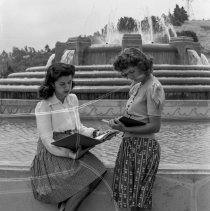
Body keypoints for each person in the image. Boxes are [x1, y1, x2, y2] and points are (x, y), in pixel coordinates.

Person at [30, 62, 106, 211]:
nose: (67, 87)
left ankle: (64, 207)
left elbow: (78, 128)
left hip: (72, 145)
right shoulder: (44, 105)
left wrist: (95, 133)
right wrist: (68, 154)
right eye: (62, 84)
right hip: (52, 151)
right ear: (52, 83)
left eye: (70, 82)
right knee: (83, 182)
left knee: (99, 171)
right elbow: (46, 139)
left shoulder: (73, 99)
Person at [109, 47, 165, 211]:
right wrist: (119, 123)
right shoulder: (136, 86)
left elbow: (155, 126)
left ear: (142, 64)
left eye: (131, 71)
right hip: (129, 146)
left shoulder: (154, 88)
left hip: (144, 148)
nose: (129, 76)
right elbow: (136, 116)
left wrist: (125, 128)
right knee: (129, 199)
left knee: (140, 201)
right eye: (126, 74)